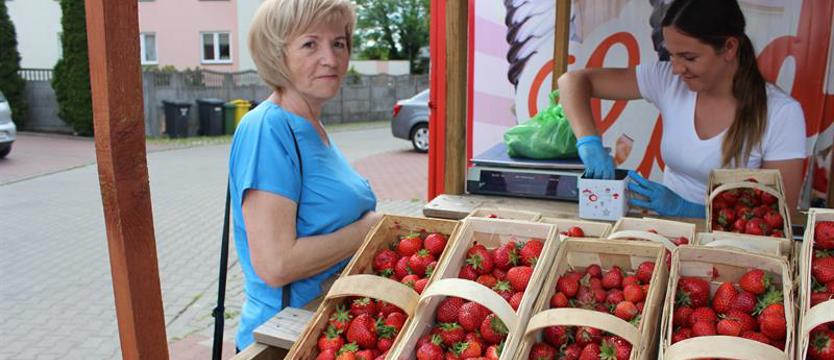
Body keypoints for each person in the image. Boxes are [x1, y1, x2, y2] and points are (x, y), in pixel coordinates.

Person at [558, 0, 806, 218]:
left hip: (737, 247)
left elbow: (781, 213)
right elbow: (572, 82)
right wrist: (588, 141)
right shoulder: (668, 80)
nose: (676, 68)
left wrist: (691, 210)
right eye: (671, 55)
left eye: (689, 57)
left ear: (730, 47)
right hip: (670, 237)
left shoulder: (782, 113)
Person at [228, 0, 382, 350]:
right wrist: (371, 228)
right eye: (310, 44)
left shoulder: (312, 125)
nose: (331, 58)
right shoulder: (268, 128)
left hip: (325, 329)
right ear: (276, 54)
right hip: (282, 340)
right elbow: (275, 265)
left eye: (338, 43)